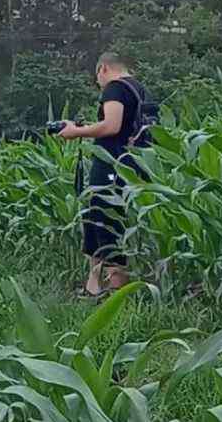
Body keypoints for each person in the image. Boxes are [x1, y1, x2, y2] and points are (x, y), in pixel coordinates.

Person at [58, 52, 149, 298]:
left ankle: (114, 293)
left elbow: (111, 125)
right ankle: (93, 286)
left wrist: (76, 132)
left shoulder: (114, 88)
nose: (98, 82)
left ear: (104, 69)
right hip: (132, 164)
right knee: (100, 219)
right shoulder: (137, 89)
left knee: (105, 222)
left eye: (97, 76)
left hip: (111, 165)